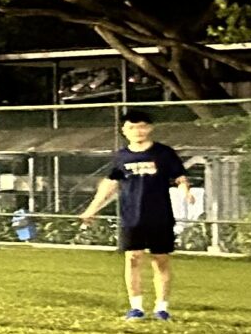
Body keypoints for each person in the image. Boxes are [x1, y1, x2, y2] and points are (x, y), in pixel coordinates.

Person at [78, 107, 194, 321]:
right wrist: (92, 209)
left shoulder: (163, 153)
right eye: (132, 127)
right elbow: (110, 184)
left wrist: (185, 190)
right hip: (131, 216)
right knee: (132, 258)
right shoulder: (121, 157)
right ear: (124, 130)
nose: (138, 131)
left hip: (159, 215)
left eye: (142, 127)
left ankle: (162, 308)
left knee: (160, 260)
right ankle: (136, 307)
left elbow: (179, 176)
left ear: (150, 128)